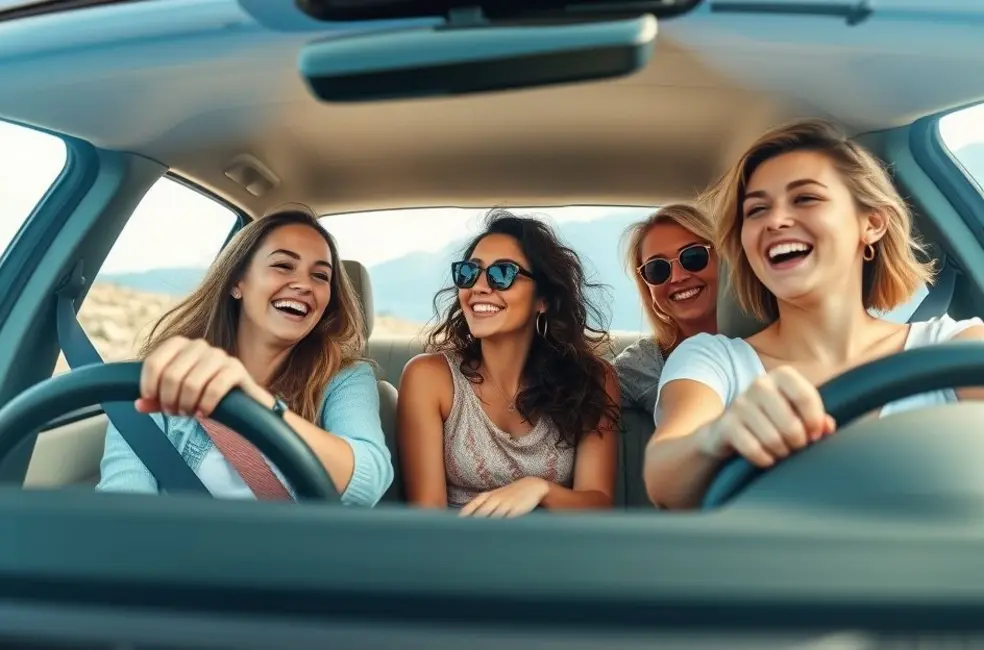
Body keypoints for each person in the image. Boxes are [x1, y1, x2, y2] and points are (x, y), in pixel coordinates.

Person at [643, 118, 984, 510]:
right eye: (756, 210)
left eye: (805, 198)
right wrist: (715, 437)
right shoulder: (714, 360)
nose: (775, 221)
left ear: (872, 223)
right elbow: (665, 476)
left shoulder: (950, 347)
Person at [96, 209, 394, 506]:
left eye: (320, 276)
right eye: (283, 265)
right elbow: (122, 509)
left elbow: (367, 481)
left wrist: (258, 402)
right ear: (237, 282)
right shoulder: (164, 379)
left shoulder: (344, 377)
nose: (304, 285)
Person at [397, 209, 621, 516]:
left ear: (543, 299)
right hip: (456, 555)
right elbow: (428, 518)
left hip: (556, 557)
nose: (478, 287)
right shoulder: (428, 377)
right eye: (468, 273)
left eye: (503, 274)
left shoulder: (592, 378)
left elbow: (598, 503)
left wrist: (540, 489)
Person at [614, 203, 719, 416]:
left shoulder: (778, 333)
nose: (678, 277)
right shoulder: (643, 364)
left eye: (693, 257)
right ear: (647, 287)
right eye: (657, 269)